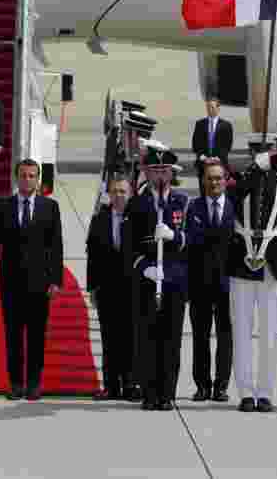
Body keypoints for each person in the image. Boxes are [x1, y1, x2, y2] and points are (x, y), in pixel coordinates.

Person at [226, 136, 277, 413]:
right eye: (256, 152)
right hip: (241, 263)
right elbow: (232, 196)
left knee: (270, 332)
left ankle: (265, 392)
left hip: (272, 263)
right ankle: (245, 391)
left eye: (265, 152)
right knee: (241, 331)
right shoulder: (241, 181)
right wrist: (252, 170)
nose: (261, 156)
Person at [0, 159, 64, 401]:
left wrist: (55, 280)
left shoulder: (50, 207)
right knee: (13, 336)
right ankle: (16, 383)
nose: (27, 180)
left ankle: (34, 383)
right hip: (11, 282)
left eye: (31, 176)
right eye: (23, 175)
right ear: (16, 178)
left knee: (36, 336)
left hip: (40, 284)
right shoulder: (3, 207)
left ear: (38, 179)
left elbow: (56, 246)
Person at [127, 141, 189, 411]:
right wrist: (144, 268)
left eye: (165, 170)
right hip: (148, 278)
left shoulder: (183, 202)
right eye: (156, 170)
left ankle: (167, 394)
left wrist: (176, 236)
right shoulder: (137, 204)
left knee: (171, 338)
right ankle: (149, 393)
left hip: (174, 279)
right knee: (147, 337)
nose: (161, 176)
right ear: (147, 173)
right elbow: (129, 246)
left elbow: (194, 241)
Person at [184, 158, 234, 403]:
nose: (215, 182)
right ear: (203, 181)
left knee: (226, 337)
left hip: (227, 284)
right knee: (200, 338)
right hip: (200, 284)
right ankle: (202, 386)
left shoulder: (236, 209)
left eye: (219, 178)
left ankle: (221, 386)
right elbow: (190, 245)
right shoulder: (193, 208)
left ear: (226, 181)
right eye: (210, 178)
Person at [85, 176, 136, 401]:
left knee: (130, 338)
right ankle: (111, 386)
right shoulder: (99, 219)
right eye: (115, 191)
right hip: (106, 288)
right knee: (109, 339)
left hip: (132, 287)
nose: (119, 195)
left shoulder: (138, 217)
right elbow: (92, 256)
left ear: (130, 193)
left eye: (123, 191)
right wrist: (92, 287)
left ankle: (131, 384)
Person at [192, 97, 234, 197]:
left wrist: (217, 159)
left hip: (219, 164)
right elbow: (195, 144)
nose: (209, 109)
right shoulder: (200, 124)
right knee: (204, 193)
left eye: (212, 107)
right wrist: (203, 157)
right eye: (208, 107)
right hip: (204, 164)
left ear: (218, 109)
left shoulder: (226, 125)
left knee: (219, 193)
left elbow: (227, 146)